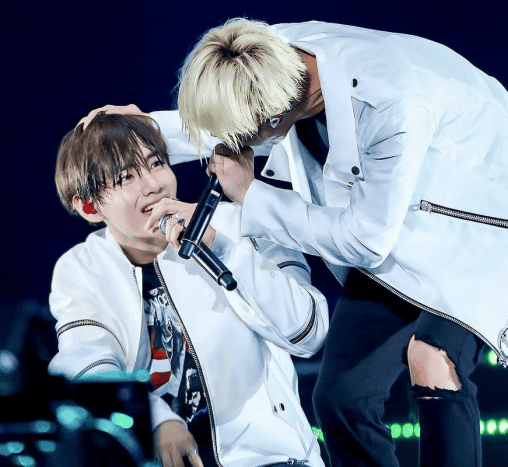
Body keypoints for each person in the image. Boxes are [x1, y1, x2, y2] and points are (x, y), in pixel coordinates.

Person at [83, 18, 508, 467]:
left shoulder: (392, 102)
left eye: (241, 134)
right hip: (398, 212)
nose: (228, 141)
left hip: (494, 209)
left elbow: (363, 241)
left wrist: (251, 194)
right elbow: (234, 118)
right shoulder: (264, 54)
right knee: (341, 397)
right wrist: (147, 128)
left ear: (273, 114)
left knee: (433, 359)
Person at [47, 112, 329, 467]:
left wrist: (220, 248)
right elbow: (87, 361)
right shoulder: (83, 267)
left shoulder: (241, 224)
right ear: (90, 206)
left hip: (269, 457)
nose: (154, 184)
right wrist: (157, 418)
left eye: (157, 163)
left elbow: (308, 332)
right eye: (126, 177)